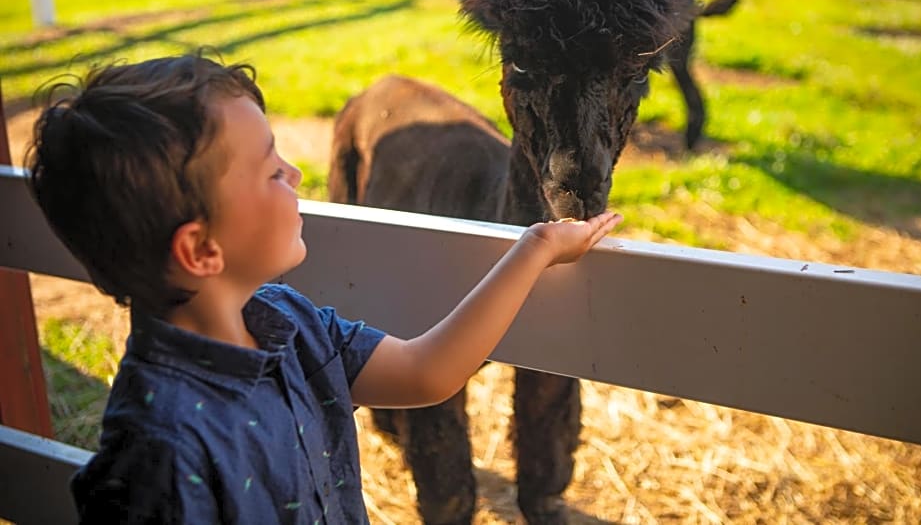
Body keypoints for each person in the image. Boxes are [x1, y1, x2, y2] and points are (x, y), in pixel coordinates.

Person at [27, 52, 621, 524]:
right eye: (271, 170)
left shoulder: (291, 324)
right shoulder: (157, 454)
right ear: (202, 250)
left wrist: (534, 249)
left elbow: (426, 372)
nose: (298, 174)